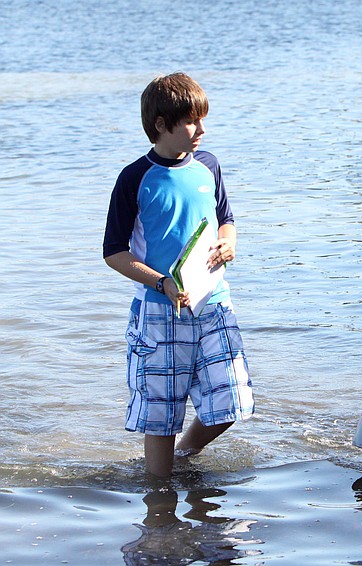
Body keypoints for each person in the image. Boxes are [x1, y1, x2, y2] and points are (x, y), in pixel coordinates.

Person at [103, 72, 254, 477]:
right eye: (191, 121)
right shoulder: (134, 177)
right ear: (161, 125)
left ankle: (184, 457)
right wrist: (161, 282)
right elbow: (113, 253)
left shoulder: (209, 165)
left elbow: (226, 219)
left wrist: (229, 243)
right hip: (159, 310)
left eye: (202, 119)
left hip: (214, 303)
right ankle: (159, 490)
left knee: (233, 400)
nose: (201, 130)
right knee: (160, 414)